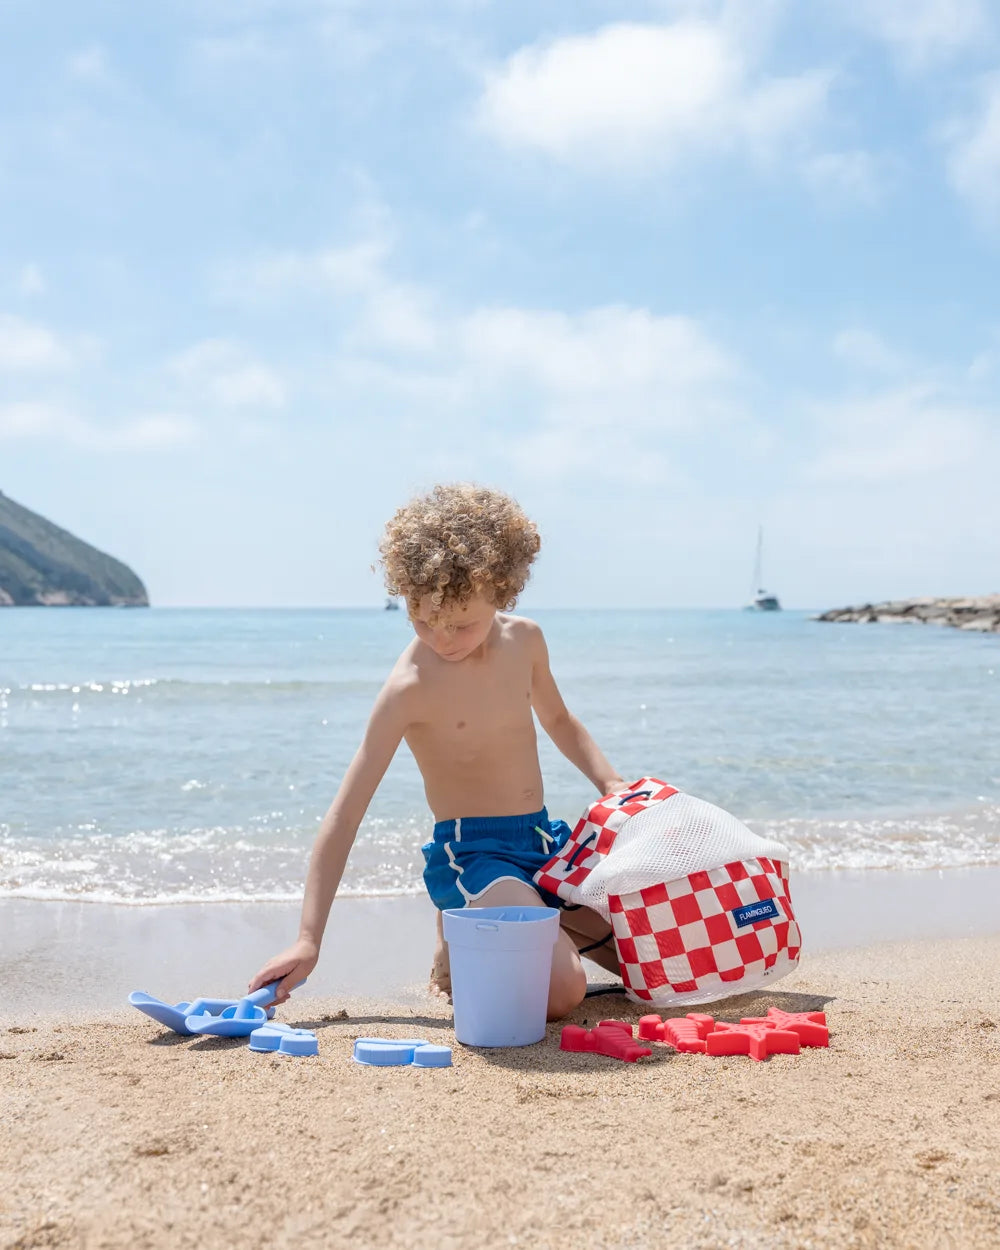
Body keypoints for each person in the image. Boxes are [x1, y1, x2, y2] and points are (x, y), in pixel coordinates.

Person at [249, 483, 625, 1018]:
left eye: (461, 624)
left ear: (501, 590)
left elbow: (560, 721)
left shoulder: (526, 642)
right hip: (474, 855)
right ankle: (465, 924)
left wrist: (612, 784)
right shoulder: (410, 688)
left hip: (544, 840)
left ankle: (504, 925)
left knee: (647, 957)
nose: (442, 639)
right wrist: (308, 940)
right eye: (422, 619)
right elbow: (344, 816)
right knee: (564, 992)